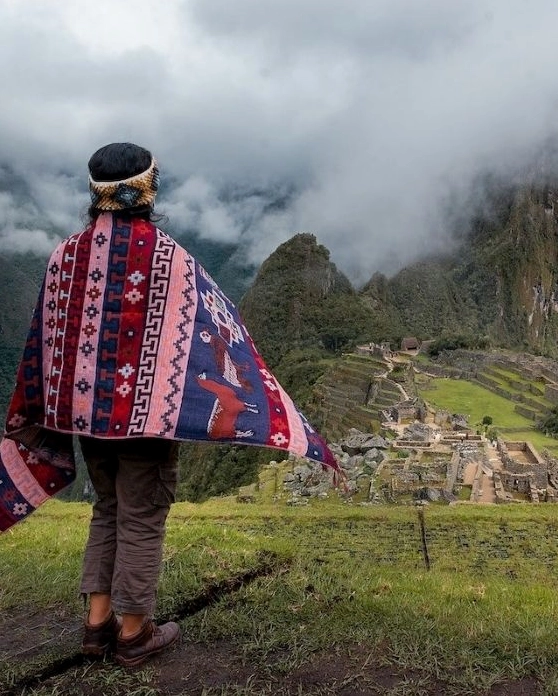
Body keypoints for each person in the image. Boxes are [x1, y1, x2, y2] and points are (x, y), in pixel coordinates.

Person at [0, 143, 341, 667]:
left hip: (85, 418)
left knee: (107, 508)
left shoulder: (64, 256)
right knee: (142, 516)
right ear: (148, 190)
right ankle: (134, 635)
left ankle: (96, 627)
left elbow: (47, 342)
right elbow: (218, 336)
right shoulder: (168, 259)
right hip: (146, 424)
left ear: (96, 195)